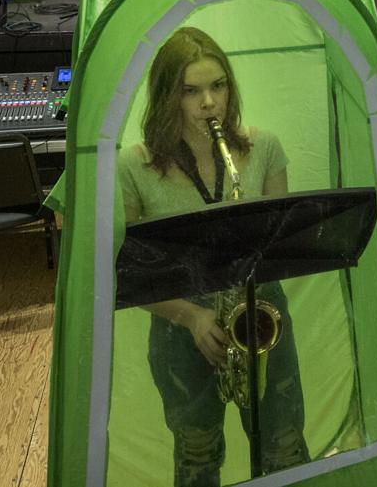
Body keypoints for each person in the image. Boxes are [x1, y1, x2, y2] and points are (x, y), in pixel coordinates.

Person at [118, 27, 308, 486]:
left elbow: (278, 251)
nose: (209, 103)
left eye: (218, 86)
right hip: (180, 329)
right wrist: (191, 318)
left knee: (284, 446)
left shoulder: (265, 148)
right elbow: (128, 273)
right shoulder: (133, 166)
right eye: (191, 91)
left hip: (262, 316)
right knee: (198, 456)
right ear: (168, 96)